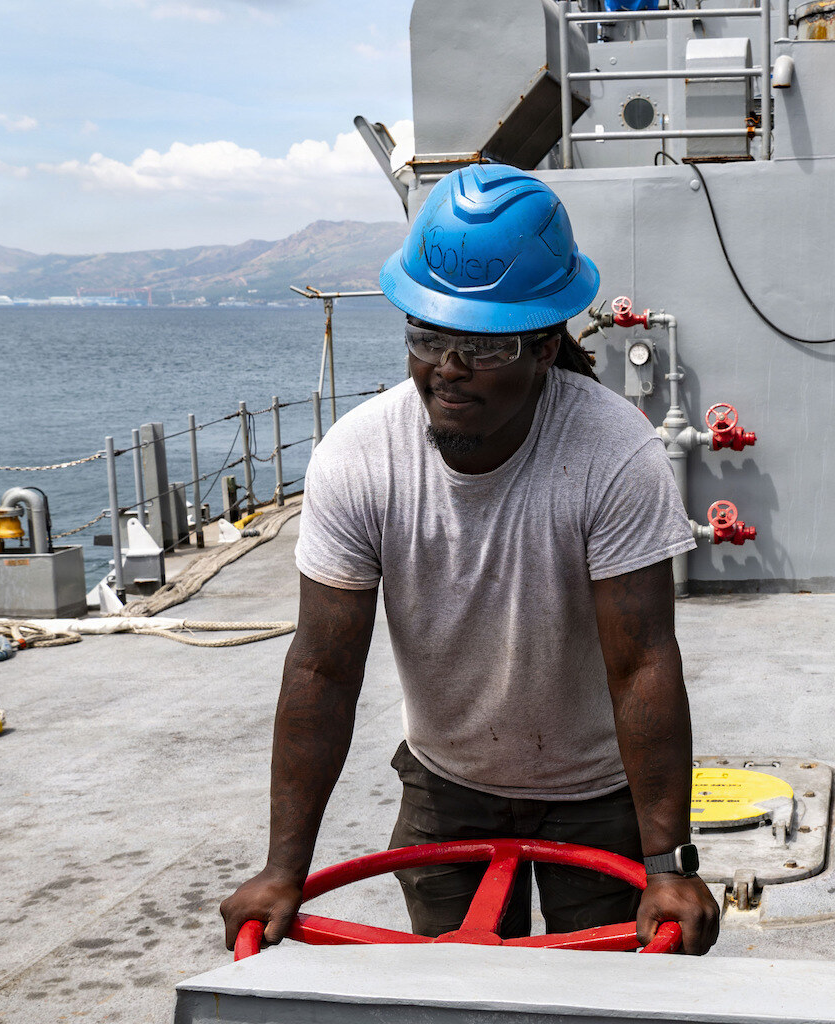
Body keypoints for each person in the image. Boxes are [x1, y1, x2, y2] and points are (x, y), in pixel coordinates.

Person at [220, 164, 720, 955]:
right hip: (446, 782)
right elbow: (322, 668)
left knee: (606, 1005)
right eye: (427, 336)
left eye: (483, 346)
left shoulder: (613, 453)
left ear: (546, 345)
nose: (448, 368)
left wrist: (666, 862)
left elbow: (643, 663)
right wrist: (284, 868)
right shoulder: (359, 459)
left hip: (598, 792)